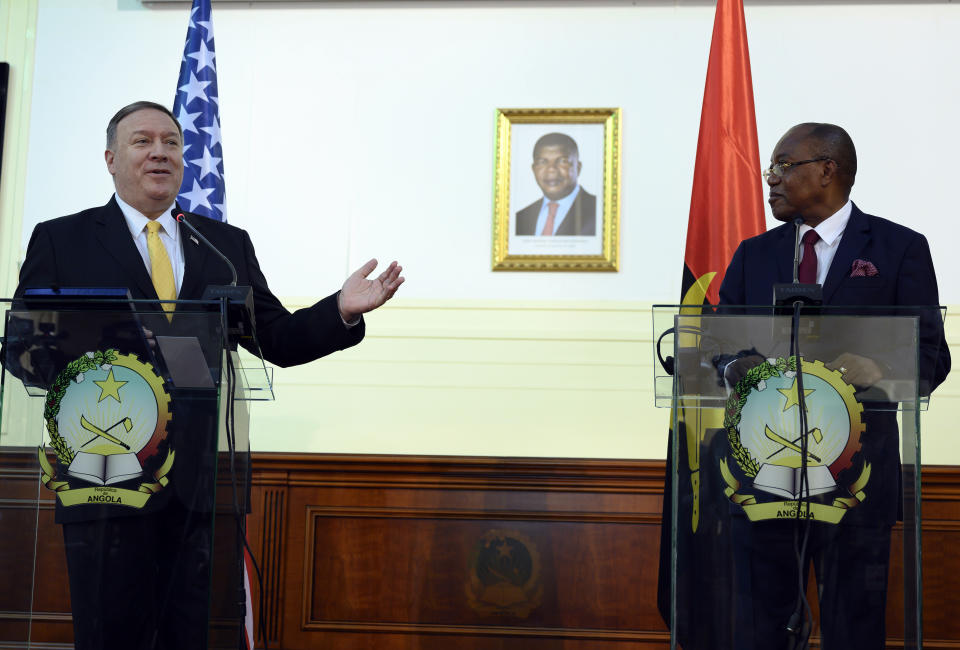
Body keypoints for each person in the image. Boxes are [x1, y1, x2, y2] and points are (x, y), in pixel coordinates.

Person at [7, 100, 404, 649]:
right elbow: (25, 346)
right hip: (103, 474)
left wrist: (341, 309)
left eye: (171, 142)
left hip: (196, 490)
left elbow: (276, 339)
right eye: (143, 141)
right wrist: (100, 371)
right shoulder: (62, 239)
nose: (160, 152)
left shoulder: (223, 244)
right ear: (111, 158)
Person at [718, 123, 950, 649]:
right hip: (762, 474)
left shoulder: (898, 249)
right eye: (770, 169)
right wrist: (735, 366)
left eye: (782, 166)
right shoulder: (754, 254)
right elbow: (716, 345)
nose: (770, 179)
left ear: (826, 169)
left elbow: (932, 357)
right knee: (760, 631)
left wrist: (879, 370)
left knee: (854, 629)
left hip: (856, 476)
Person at [515, 132, 596, 236]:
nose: (551, 169)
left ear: (578, 168)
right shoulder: (520, 218)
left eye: (562, 161)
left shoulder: (599, 212)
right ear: (534, 169)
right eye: (542, 162)